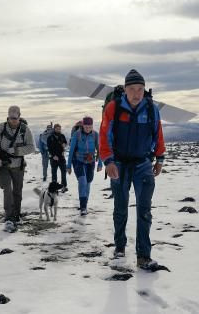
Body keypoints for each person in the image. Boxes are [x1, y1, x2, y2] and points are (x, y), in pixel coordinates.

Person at [99, 69, 166, 270]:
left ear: (144, 90)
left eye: (140, 89)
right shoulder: (113, 108)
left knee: (144, 211)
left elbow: (158, 135)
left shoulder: (151, 109)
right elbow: (104, 136)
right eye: (132, 89)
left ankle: (143, 256)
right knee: (120, 209)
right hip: (118, 164)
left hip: (143, 164)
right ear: (125, 90)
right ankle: (120, 247)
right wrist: (108, 161)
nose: (137, 93)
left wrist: (160, 159)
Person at [0, 106, 35, 232]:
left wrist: (16, 151)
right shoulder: (1, 128)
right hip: (3, 165)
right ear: (8, 116)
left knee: (17, 192)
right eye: (11, 117)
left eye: (15, 118)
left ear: (19, 116)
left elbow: (31, 147)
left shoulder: (25, 130)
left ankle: (16, 215)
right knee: (7, 189)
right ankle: (9, 218)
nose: (13, 120)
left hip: (18, 166)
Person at [67, 117, 102, 216]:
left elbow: (99, 149)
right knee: (82, 181)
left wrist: (100, 163)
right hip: (79, 161)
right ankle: (83, 207)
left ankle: (85, 204)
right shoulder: (76, 135)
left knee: (88, 183)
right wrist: (68, 166)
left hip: (90, 162)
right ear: (83, 125)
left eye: (90, 127)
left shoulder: (95, 135)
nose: (88, 129)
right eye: (86, 127)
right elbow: (71, 151)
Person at [47, 123, 68, 192]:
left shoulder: (62, 136)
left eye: (59, 129)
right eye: (57, 129)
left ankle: (64, 186)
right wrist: (53, 156)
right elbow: (49, 148)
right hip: (53, 158)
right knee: (54, 173)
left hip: (61, 157)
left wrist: (64, 145)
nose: (58, 130)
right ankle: (54, 188)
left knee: (64, 172)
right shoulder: (50, 137)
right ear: (54, 129)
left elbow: (65, 143)